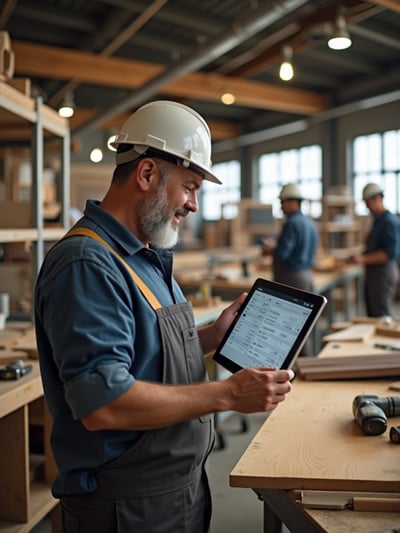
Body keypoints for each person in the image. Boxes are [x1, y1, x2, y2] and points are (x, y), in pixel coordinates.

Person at [34, 100, 294, 533]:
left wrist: (211, 337)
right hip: (125, 509)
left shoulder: (143, 253)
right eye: (190, 186)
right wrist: (227, 394)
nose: (193, 204)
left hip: (174, 492)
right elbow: (105, 403)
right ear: (147, 173)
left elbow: (144, 349)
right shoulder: (87, 263)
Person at [262, 183, 319, 355]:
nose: (281, 206)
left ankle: (299, 366)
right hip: (307, 276)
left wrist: (269, 249)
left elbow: (283, 254)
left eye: (283, 202)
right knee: (305, 324)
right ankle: (307, 362)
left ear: (293, 202)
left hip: (292, 279)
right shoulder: (309, 223)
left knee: (292, 327)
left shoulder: (291, 223)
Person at [350, 182, 400, 318]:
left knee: (382, 317)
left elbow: (389, 253)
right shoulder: (378, 220)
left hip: (383, 274)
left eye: (368, 202)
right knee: (373, 315)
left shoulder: (389, 222)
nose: (367, 207)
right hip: (374, 273)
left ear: (378, 198)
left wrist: (363, 259)